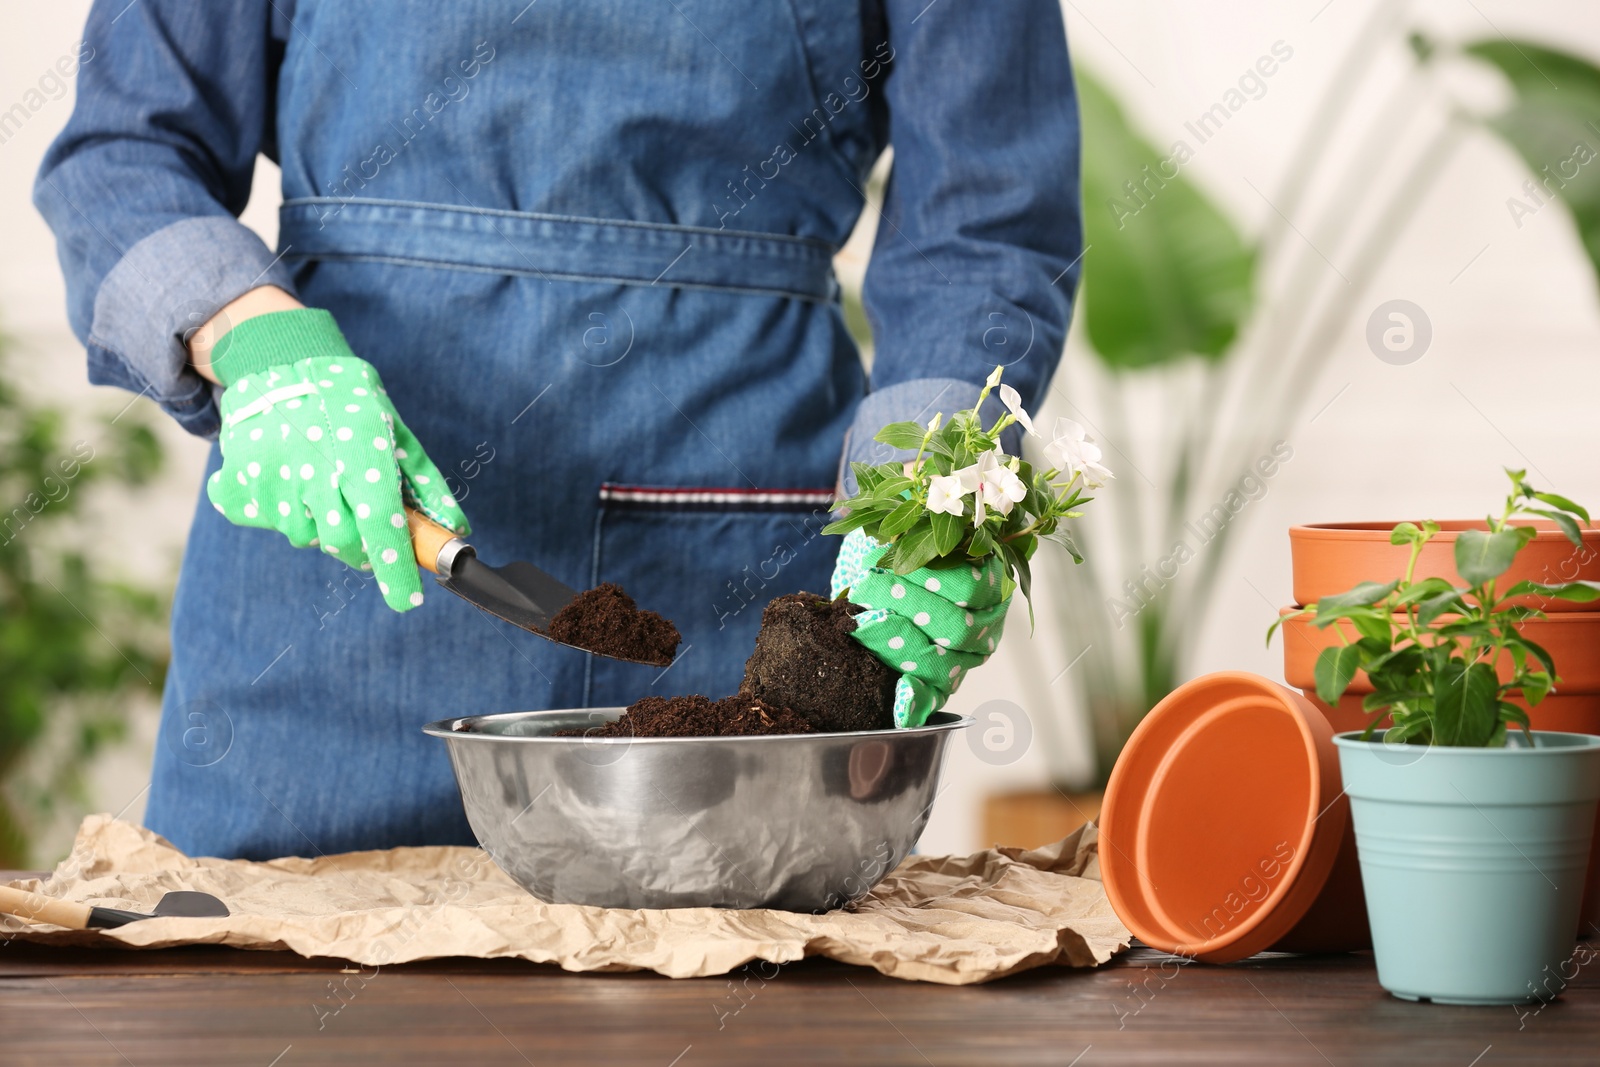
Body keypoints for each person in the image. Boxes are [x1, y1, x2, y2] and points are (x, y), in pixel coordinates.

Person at [36, 0, 1081, 860]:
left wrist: (926, 494)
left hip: (730, 594)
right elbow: (124, 149)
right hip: (331, 592)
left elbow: (983, 220)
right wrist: (249, 341)